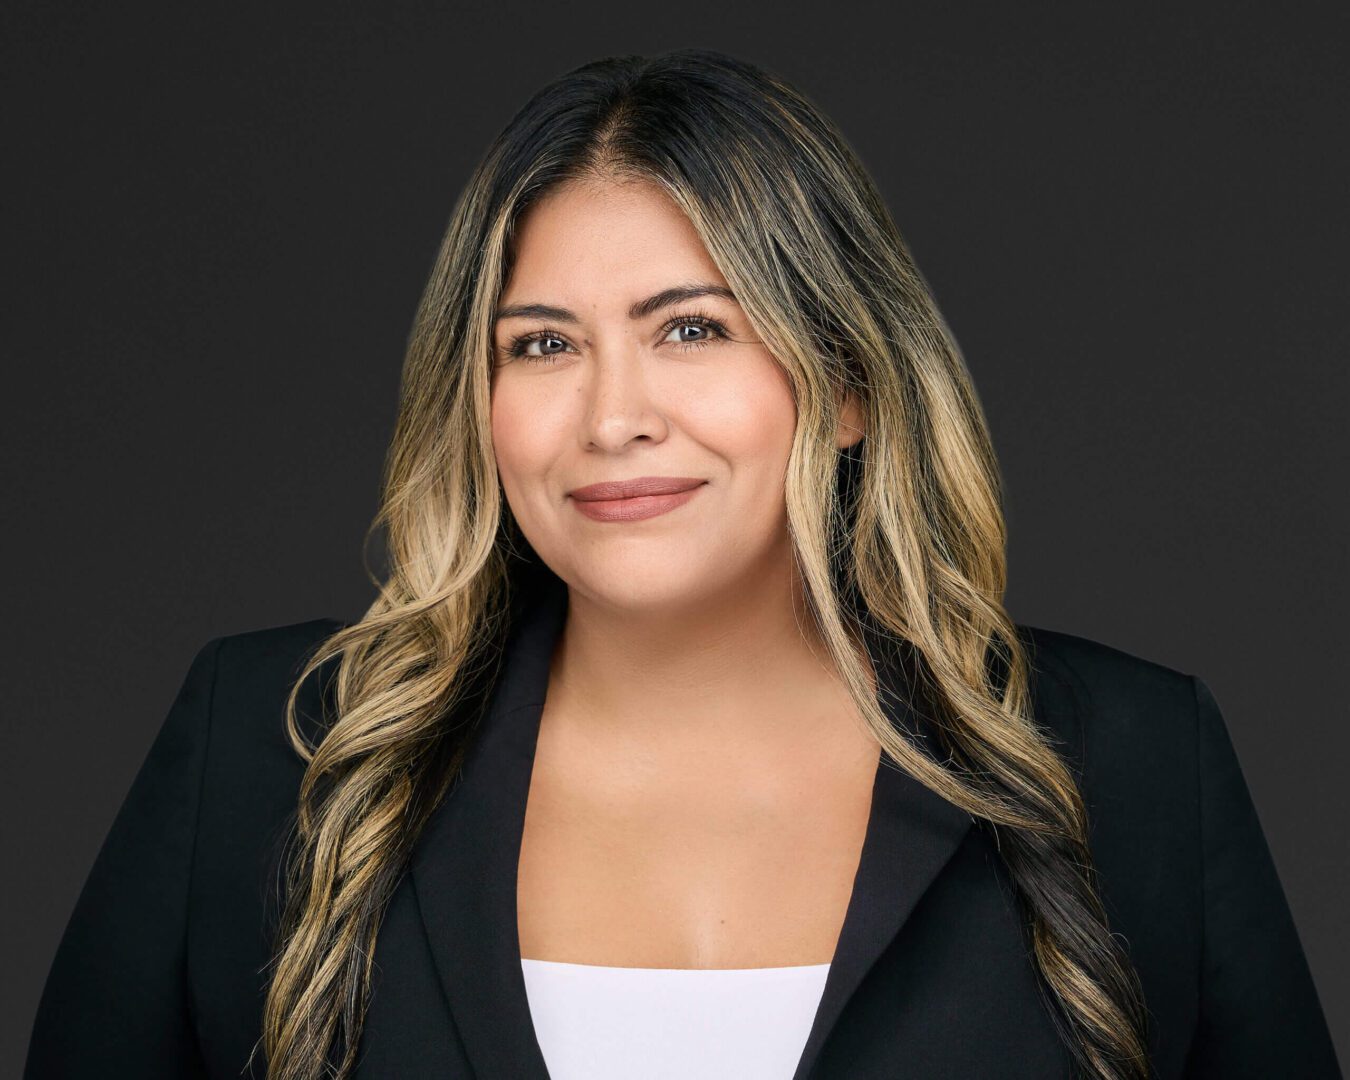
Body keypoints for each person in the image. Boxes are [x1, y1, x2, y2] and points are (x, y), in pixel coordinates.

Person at [24, 48, 1341, 1080]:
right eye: (541, 345)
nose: (610, 417)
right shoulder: (276, 755)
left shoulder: (1126, 761)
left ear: (846, 385)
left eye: (691, 328)